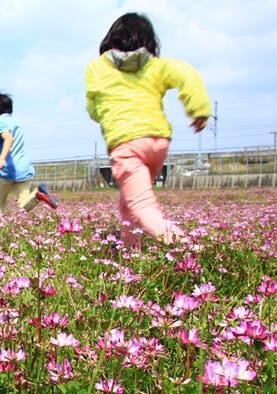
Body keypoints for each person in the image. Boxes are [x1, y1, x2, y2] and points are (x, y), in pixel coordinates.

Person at [85, 12, 210, 248]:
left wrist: (103, 114)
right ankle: (132, 252)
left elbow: (92, 106)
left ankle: (190, 250)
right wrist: (199, 108)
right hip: (156, 143)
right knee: (127, 205)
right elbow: (187, 74)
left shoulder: (97, 68)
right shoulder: (155, 65)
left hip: (126, 145)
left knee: (142, 207)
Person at [0, 93, 58, 216]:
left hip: (8, 170)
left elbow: (9, 140)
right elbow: (8, 147)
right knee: (23, 204)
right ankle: (38, 194)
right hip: (23, 169)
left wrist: (1, 160)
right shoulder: (16, 123)